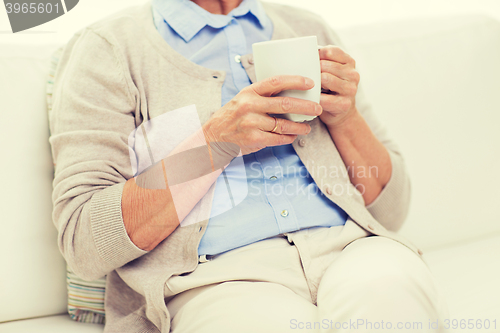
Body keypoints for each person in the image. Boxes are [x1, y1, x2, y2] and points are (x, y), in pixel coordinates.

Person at [49, 0, 449, 332]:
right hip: (215, 279)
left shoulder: (307, 28)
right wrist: (214, 143)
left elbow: (392, 211)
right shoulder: (107, 48)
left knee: (393, 290)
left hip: (351, 249)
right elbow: (84, 243)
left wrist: (346, 118)